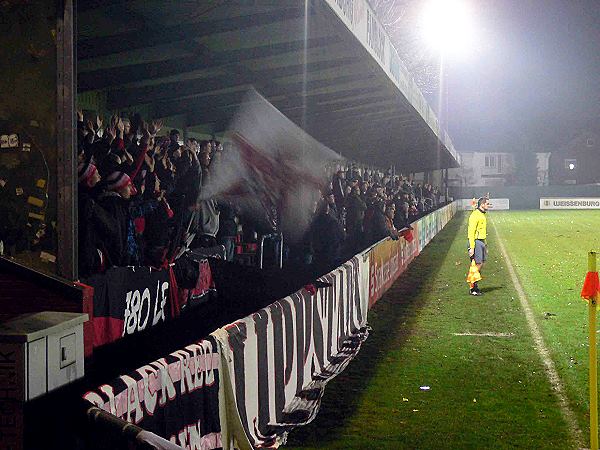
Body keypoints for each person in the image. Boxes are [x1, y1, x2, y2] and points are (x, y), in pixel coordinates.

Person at [467, 197, 490, 295]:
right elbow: (471, 232)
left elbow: (482, 230)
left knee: (480, 263)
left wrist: (485, 243)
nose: (488, 205)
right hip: (476, 242)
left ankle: (474, 286)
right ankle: (473, 288)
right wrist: (472, 247)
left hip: (480, 241)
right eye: (487, 204)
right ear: (482, 204)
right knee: (477, 264)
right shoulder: (475, 215)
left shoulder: (481, 214)